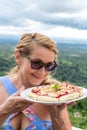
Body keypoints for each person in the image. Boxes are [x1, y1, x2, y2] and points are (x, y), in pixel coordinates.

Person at [0, 33, 72, 130]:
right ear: (18, 57)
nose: (42, 72)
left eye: (49, 66)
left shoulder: (54, 92)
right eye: (36, 63)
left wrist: (56, 115)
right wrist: (4, 110)